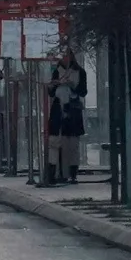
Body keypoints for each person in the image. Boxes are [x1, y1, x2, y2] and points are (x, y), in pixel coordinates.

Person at [45, 48, 88, 186]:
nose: (64, 58)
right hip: (58, 109)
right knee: (54, 141)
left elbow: (83, 91)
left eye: (66, 55)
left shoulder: (80, 72)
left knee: (72, 143)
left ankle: (72, 173)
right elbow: (50, 93)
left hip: (73, 109)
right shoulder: (55, 70)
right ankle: (53, 172)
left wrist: (72, 86)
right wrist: (53, 85)